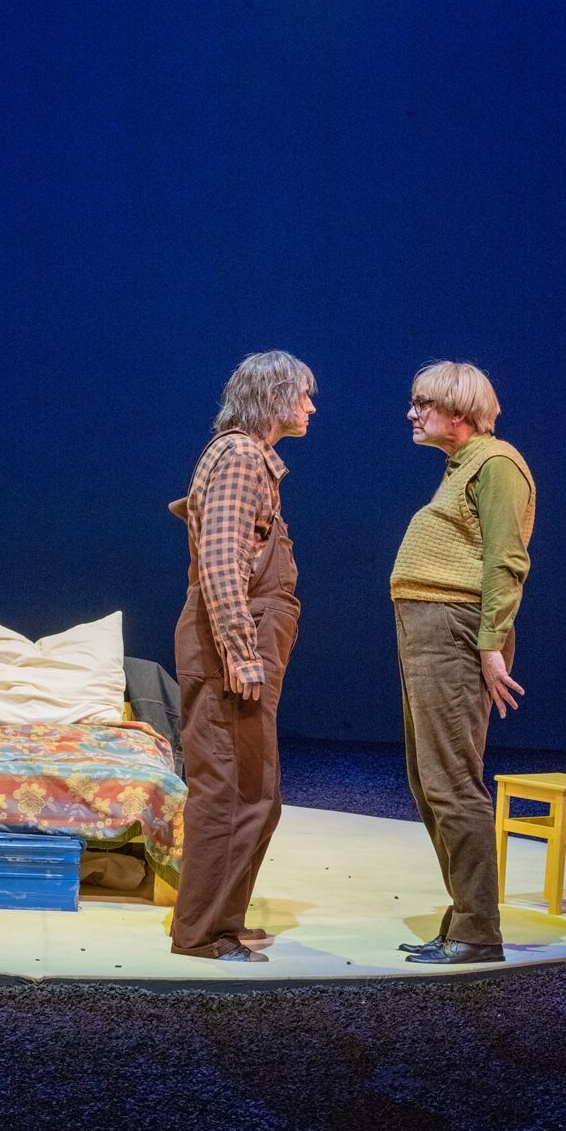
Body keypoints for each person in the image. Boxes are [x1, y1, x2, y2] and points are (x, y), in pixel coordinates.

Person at [169, 351, 316, 961]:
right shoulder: (240, 456)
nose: (311, 407)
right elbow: (221, 562)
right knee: (231, 790)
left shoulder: (251, 460)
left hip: (245, 637)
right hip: (231, 642)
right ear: (275, 398)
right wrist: (242, 651)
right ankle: (203, 934)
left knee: (255, 791)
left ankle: (220, 918)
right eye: (303, 395)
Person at [391, 361, 535, 965]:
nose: (411, 413)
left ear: (458, 411)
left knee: (452, 783)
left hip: (455, 630)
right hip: (430, 629)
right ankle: (463, 919)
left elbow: (506, 559)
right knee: (430, 783)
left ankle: (477, 931)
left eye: (422, 403)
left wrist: (490, 645)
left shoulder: (497, 464)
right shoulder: (462, 467)